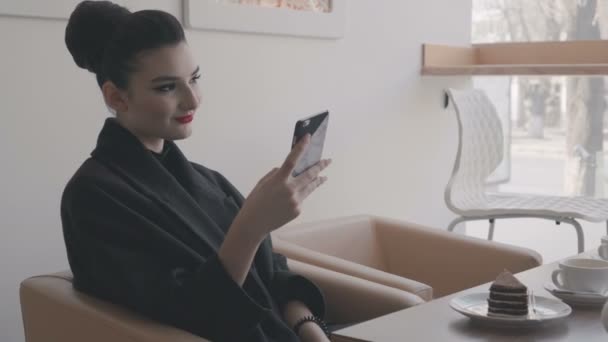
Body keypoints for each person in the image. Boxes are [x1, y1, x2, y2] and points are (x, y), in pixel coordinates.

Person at [61, 1, 332, 341]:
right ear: (116, 97)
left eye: (194, 78)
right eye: (167, 87)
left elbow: (271, 270)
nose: (192, 100)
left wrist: (308, 328)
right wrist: (251, 226)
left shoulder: (206, 180)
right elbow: (191, 314)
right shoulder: (93, 197)